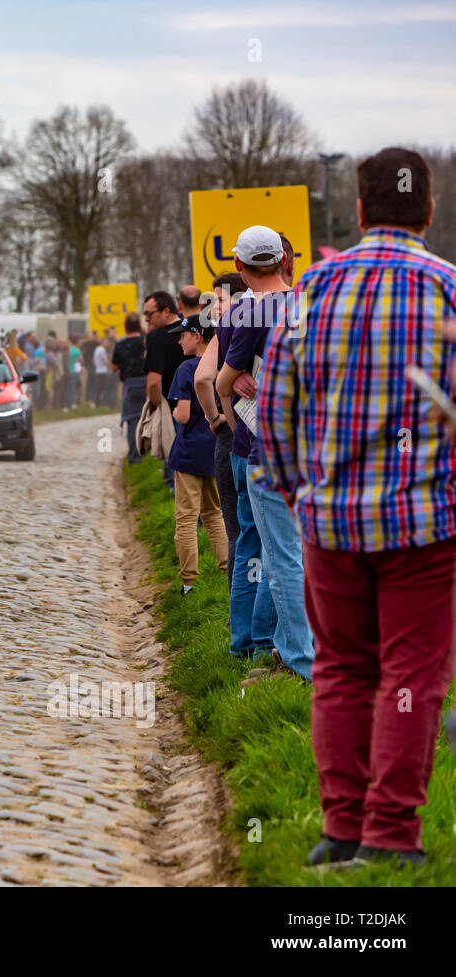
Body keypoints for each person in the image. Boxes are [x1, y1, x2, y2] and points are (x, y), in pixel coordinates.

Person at [260, 147, 456, 867]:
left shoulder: (311, 293)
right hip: (425, 524)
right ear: (429, 213)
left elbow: (276, 409)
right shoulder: (450, 291)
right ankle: (392, 834)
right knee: (412, 675)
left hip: (331, 519)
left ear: (361, 210)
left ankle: (340, 830)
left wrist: (297, 490)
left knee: (342, 669)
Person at [217, 225, 314, 683]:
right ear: (283, 259)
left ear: (239, 265)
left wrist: (230, 385)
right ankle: (295, 647)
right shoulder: (311, 303)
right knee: (309, 553)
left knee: (280, 559)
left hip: (268, 445)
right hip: (315, 443)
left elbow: (220, 380)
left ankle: (300, 659)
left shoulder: (249, 313)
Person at [192, 271, 247, 592]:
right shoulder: (267, 324)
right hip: (266, 434)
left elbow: (203, 378)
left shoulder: (223, 334)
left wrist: (215, 418)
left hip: (231, 437)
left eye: (220, 300)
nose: (213, 308)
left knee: (237, 530)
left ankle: (238, 614)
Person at [166, 316, 228, 595]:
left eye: (183, 335)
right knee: (215, 514)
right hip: (215, 448)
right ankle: (227, 569)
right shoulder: (223, 364)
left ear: (197, 335)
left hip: (189, 452)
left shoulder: (187, 369)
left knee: (186, 518)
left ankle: (189, 581)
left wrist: (175, 414)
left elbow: (182, 415)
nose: (180, 341)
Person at [143, 291, 185, 489]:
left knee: (178, 464)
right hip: (205, 406)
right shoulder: (192, 327)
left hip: (173, 408)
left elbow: (153, 382)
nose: (146, 319)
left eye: (149, 314)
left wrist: (156, 407)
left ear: (166, 311)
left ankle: (185, 515)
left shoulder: (156, 338)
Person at [111, 314, 146, 463]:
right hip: (148, 382)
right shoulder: (146, 342)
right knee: (147, 418)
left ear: (125, 328)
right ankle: (149, 452)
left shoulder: (120, 344)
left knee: (132, 421)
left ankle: (134, 457)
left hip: (130, 384)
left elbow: (114, 367)